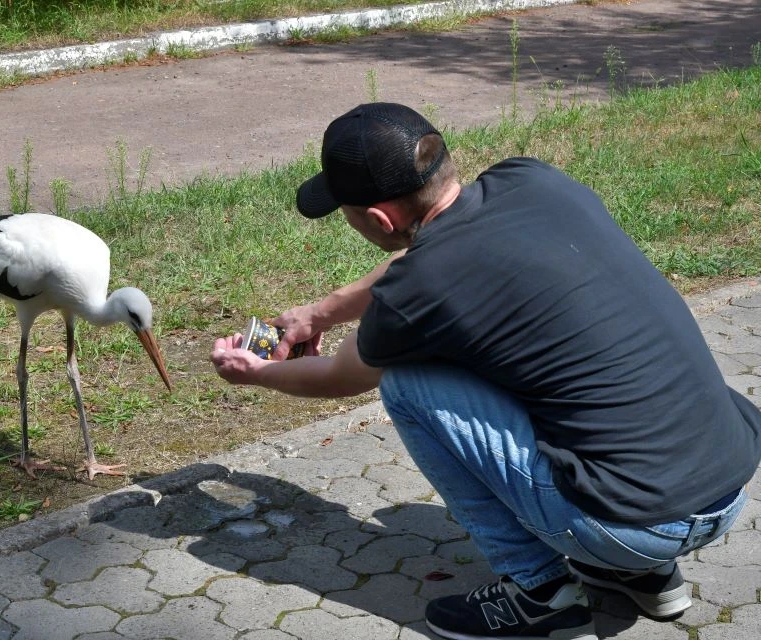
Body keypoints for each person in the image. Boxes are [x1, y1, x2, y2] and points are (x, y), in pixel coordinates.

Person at [210, 102, 761, 640]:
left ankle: (542, 594)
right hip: (727, 488)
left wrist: (254, 371)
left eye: (348, 212)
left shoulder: (416, 294)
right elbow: (427, 249)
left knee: (407, 383)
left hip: (631, 525)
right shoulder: (532, 179)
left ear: (379, 218)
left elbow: (339, 377)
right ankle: (644, 576)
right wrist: (320, 311)